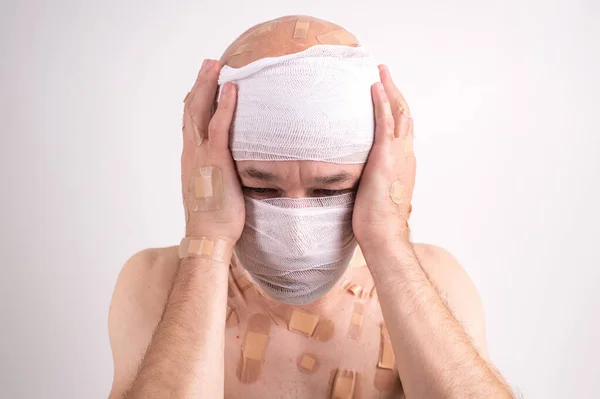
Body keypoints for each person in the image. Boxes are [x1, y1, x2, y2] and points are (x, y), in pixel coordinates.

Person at [107, 15, 514, 399]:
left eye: (328, 190)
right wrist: (207, 240)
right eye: (261, 187)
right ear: (214, 169)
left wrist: (388, 239)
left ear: (376, 172)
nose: (299, 237)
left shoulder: (434, 281)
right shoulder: (156, 284)